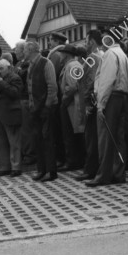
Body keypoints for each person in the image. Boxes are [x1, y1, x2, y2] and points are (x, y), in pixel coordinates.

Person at [85, 31, 128, 187]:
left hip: (111, 97)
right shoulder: (121, 53)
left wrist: (101, 104)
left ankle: (103, 175)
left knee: (105, 137)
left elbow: (106, 80)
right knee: (118, 137)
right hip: (122, 96)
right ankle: (118, 173)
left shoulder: (110, 54)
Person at [25, 40, 59, 182]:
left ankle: (51, 172)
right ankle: (41, 169)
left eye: (26, 50)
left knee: (47, 139)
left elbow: (52, 86)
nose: (24, 53)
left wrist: (47, 106)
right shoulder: (31, 65)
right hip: (36, 109)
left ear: (31, 50)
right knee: (38, 139)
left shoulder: (46, 63)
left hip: (46, 108)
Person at [75, 30, 103, 181]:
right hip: (97, 101)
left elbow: (90, 81)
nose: (85, 44)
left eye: (86, 41)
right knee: (94, 136)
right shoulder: (102, 55)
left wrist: (87, 103)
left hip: (90, 103)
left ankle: (90, 170)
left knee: (91, 137)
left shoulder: (92, 57)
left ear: (91, 42)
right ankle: (94, 167)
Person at [0, 58, 23, 177]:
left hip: (11, 113)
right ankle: (4, 167)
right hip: (0, 112)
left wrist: (1, 83)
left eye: (2, 68)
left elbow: (15, 93)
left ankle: (16, 167)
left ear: (9, 68)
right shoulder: (2, 79)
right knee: (0, 142)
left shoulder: (15, 78)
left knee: (14, 141)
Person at [58, 44, 86, 171]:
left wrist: (64, 99)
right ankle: (77, 161)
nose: (59, 55)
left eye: (61, 52)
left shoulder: (71, 65)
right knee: (73, 134)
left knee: (70, 133)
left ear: (67, 54)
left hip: (71, 104)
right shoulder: (73, 65)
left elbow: (73, 86)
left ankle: (73, 162)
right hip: (73, 103)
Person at [47, 32, 68, 169]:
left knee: (59, 130)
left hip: (58, 96)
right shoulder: (62, 53)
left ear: (57, 41)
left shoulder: (55, 55)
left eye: (51, 41)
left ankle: (61, 158)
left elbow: (51, 76)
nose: (49, 43)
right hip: (62, 95)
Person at [14, 40, 36, 165]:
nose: (15, 51)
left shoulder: (27, 64)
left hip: (25, 99)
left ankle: (30, 154)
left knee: (27, 129)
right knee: (22, 129)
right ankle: (25, 152)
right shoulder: (18, 63)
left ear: (23, 50)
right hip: (19, 99)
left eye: (16, 49)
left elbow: (20, 77)